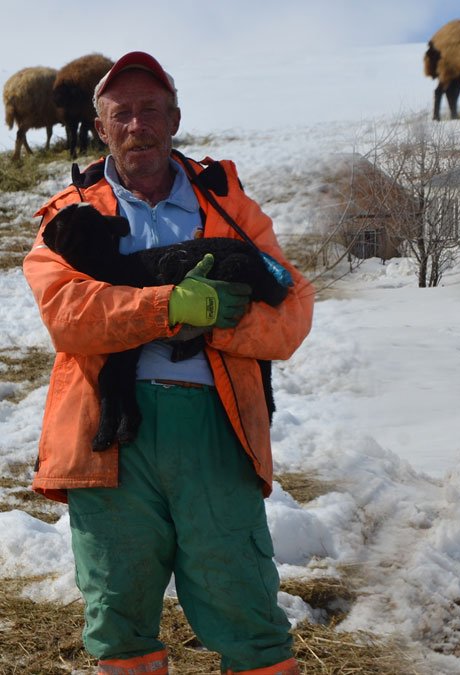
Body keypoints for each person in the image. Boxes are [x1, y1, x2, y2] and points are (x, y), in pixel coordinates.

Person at [23, 52, 313, 675]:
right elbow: (65, 315)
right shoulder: (68, 214)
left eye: (149, 110)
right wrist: (168, 308)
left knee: (244, 602)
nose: (136, 125)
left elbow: (292, 313)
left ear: (174, 118)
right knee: (118, 609)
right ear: (100, 128)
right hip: (106, 436)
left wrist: (222, 321)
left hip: (217, 426)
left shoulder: (230, 205)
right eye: (120, 114)